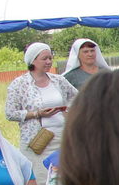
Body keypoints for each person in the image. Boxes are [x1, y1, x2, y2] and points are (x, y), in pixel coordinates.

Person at [4, 41, 78, 177]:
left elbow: (77, 98)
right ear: (33, 60)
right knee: (42, 179)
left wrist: (67, 112)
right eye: (44, 59)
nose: (49, 62)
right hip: (39, 141)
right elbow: (10, 113)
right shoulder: (19, 84)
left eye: (50, 58)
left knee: (67, 178)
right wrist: (36, 114)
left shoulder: (58, 80)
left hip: (63, 137)